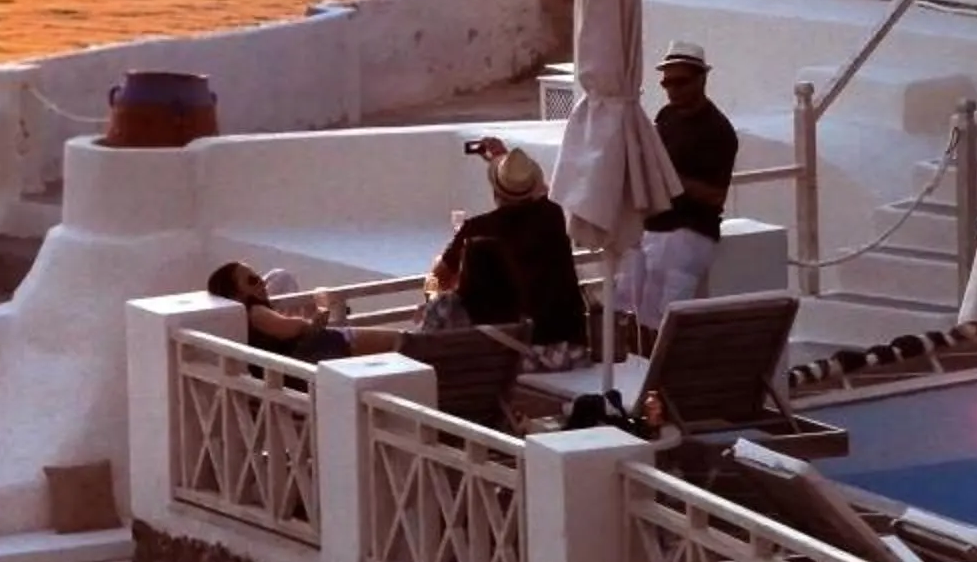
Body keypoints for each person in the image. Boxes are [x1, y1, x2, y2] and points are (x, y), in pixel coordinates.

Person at [615, 39, 739, 343]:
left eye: (680, 82)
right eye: (667, 83)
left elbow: (715, 196)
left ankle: (660, 384)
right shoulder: (666, 116)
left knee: (662, 319)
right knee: (627, 309)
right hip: (652, 227)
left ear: (701, 79)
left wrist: (667, 177)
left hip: (687, 234)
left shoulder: (718, 130)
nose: (672, 90)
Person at [431, 142, 589, 361]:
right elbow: (541, 192)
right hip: (570, 350)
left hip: (514, 356)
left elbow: (436, 279)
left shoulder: (477, 230)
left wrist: (434, 290)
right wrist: (507, 162)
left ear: (495, 190)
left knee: (441, 306)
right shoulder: (553, 216)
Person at [207, 262, 409, 360]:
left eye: (259, 277)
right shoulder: (254, 312)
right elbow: (290, 329)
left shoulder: (243, 320)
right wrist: (318, 314)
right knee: (402, 342)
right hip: (329, 346)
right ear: (237, 294)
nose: (261, 283)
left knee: (400, 344)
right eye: (252, 281)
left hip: (319, 352)